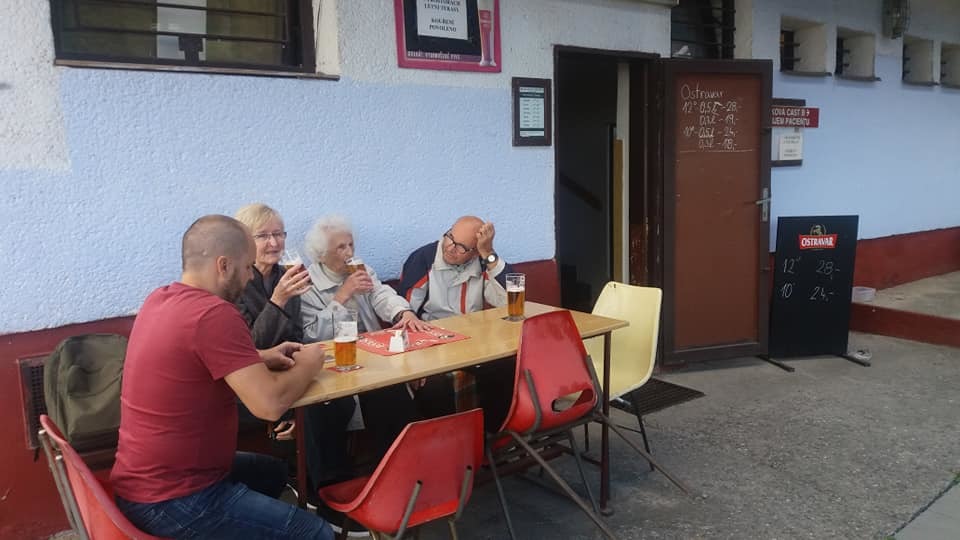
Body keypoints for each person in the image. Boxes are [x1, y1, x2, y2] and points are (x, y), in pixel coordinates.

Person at [110, 215, 333, 540]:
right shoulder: (215, 314)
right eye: (247, 267)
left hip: (141, 479)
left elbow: (193, 359)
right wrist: (310, 363)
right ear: (224, 265)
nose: (250, 276)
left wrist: (260, 357)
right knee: (315, 532)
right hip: (173, 497)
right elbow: (269, 405)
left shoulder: (161, 298)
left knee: (272, 473)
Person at [300, 215, 455, 460]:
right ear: (321, 255)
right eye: (340, 247)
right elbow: (312, 335)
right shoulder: (307, 286)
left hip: (376, 355)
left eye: (351, 244)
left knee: (434, 381)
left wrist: (403, 312)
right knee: (387, 392)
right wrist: (342, 296)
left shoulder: (361, 270)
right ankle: (399, 461)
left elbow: (382, 295)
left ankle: (442, 454)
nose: (349, 252)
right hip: (338, 364)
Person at [234, 203, 356, 493]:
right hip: (249, 378)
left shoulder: (286, 275)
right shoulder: (236, 283)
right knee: (312, 410)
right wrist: (277, 301)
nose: (274, 242)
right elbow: (247, 348)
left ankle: (339, 486)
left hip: (285, 366)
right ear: (245, 241)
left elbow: (297, 335)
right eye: (263, 236)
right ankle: (320, 491)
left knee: (340, 398)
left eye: (279, 234)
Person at [397, 215, 516, 432]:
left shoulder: (482, 261)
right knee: (434, 387)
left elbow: (510, 299)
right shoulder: (423, 258)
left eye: (461, 247)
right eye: (450, 237)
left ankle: (493, 435)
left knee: (506, 366)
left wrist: (489, 253)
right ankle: (451, 441)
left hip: (474, 343)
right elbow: (404, 311)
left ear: (475, 252)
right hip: (432, 343)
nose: (450, 248)